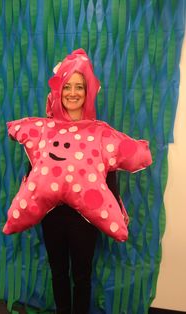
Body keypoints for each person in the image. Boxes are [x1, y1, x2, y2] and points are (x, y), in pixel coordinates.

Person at [40, 50, 125, 314]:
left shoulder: (98, 131)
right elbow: (36, 168)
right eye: (67, 87)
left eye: (79, 87)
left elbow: (109, 171)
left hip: (85, 219)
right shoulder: (46, 128)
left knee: (82, 276)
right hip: (52, 215)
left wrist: (113, 209)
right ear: (59, 91)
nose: (73, 93)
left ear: (87, 93)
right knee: (58, 272)